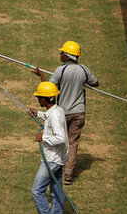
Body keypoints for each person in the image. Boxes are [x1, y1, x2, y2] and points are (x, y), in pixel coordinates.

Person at [32, 41, 99, 185]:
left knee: (60, 139)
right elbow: (96, 83)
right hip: (79, 112)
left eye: (62, 52)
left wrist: (41, 75)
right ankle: (68, 173)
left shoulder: (60, 70)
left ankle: (58, 166)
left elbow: (49, 89)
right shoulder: (83, 70)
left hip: (63, 112)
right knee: (72, 142)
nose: (60, 54)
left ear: (68, 56)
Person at [28, 81, 69, 214]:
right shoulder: (56, 110)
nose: (38, 99)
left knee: (36, 191)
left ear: (45, 99)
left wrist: (43, 137)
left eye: (39, 97)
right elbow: (49, 117)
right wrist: (37, 113)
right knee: (56, 192)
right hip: (58, 159)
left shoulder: (56, 115)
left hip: (51, 160)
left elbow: (61, 137)